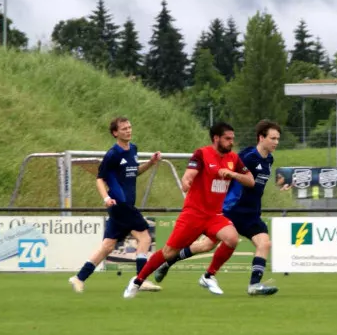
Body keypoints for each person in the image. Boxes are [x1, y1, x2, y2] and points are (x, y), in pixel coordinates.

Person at [123, 122, 256, 298]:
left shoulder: (233, 158)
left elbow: (251, 181)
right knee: (169, 252)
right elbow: (189, 174)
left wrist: (234, 175)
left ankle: (208, 276)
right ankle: (137, 281)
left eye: (232, 138)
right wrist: (187, 181)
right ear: (216, 138)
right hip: (194, 213)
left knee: (232, 239)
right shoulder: (202, 154)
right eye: (227, 139)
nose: (232, 142)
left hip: (214, 215)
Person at [152, 120, 281, 296]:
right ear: (261, 138)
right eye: (272, 138)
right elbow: (224, 170)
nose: (276, 142)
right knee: (206, 246)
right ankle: (169, 262)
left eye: (277, 139)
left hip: (251, 213)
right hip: (232, 209)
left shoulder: (269, 160)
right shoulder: (247, 156)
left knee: (264, 243)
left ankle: (254, 285)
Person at [69, 117, 162, 293]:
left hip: (123, 205)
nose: (128, 130)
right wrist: (106, 198)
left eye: (129, 127)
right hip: (120, 205)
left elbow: (134, 172)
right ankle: (140, 280)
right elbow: (99, 179)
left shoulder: (133, 149)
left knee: (108, 246)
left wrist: (150, 163)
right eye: (124, 128)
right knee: (145, 238)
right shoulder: (113, 154)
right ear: (115, 133)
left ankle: (79, 278)